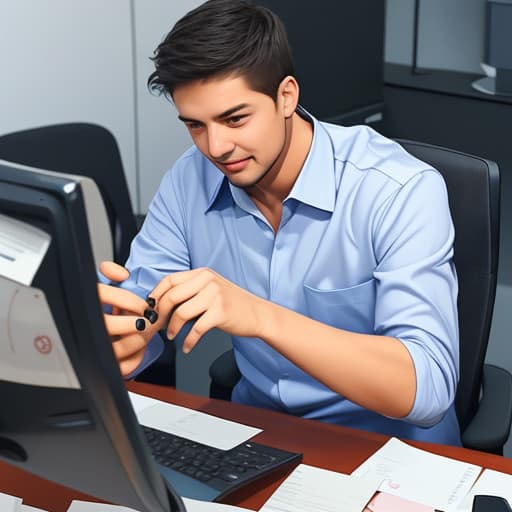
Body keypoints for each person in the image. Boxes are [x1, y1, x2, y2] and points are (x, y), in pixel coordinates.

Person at [98, 0, 461, 445]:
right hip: (265, 437)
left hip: (391, 447)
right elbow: (140, 317)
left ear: (286, 96)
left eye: (235, 118)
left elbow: (428, 387)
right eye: (195, 125)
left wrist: (259, 316)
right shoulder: (189, 179)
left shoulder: (398, 189)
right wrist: (123, 338)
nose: (216, 146)